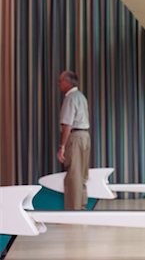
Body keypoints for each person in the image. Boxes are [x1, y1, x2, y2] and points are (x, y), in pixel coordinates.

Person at [57, 71, 90, 210]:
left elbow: (67, 124)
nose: (58, 84)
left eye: (60, 81)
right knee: (82, 173)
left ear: (68, 82)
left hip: (75, 137)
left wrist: (62, 146)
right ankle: (81, 205)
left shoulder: (70, 98)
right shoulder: (81, 97)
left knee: (74, 174)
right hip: (85, 136)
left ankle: (73, 210)